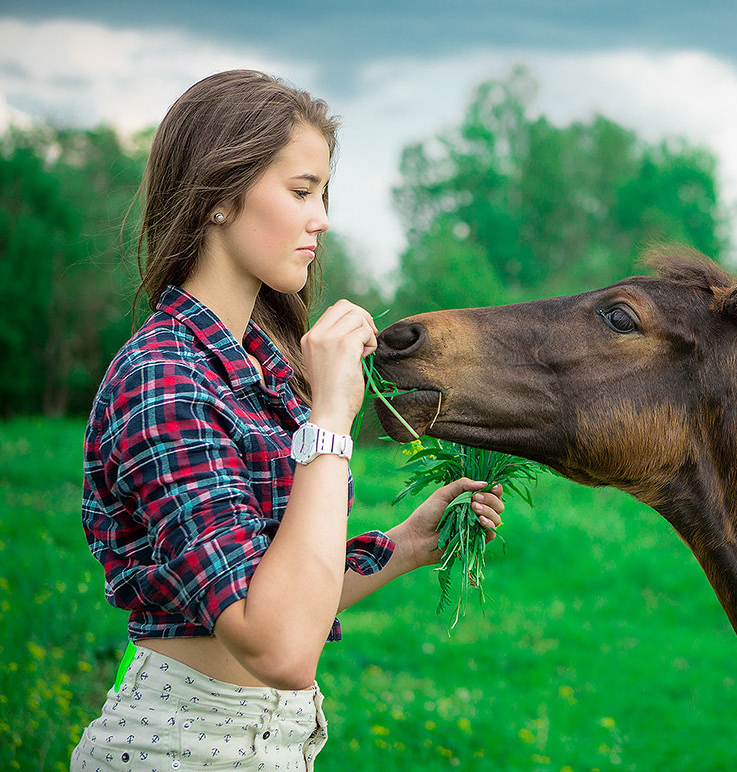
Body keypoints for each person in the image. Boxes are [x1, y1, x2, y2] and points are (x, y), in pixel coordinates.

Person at [71, 69, 504, 770]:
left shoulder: (257, 371)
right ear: (219, 196)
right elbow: (278, 646)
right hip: (177, 749)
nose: (322, 218)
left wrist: (406, 545)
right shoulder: (164, 380)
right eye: (302, 191)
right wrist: (331, 416)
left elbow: (286, 600)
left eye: (322, 194)